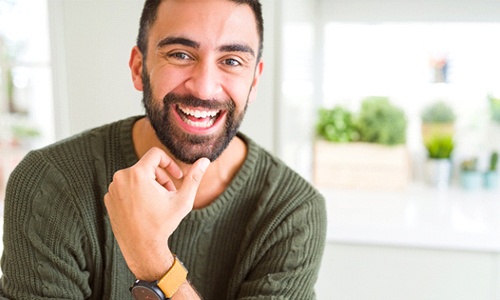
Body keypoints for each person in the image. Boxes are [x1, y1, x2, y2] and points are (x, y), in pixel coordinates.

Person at [0, 0, 327, 299]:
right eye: (180, 54)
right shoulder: (50, 182)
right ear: (139, 68)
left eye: (231, 60)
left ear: (254, 81)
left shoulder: (292, 213)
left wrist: (153, 260)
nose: (204, 86)